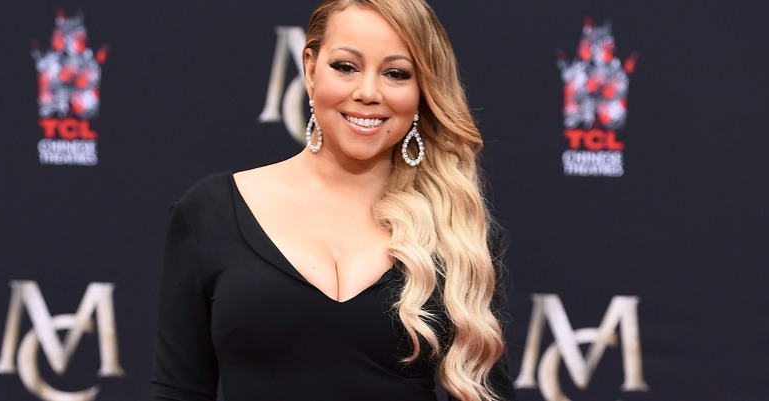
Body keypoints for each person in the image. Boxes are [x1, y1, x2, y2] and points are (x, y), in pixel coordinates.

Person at [151, 0, 516, 400]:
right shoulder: (211, 212)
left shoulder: (454, 229)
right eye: (346, 67)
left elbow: (487, 391)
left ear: (421, 90)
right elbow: (177, 391)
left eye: (396, 73)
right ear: (310, 69)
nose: (368, 92)